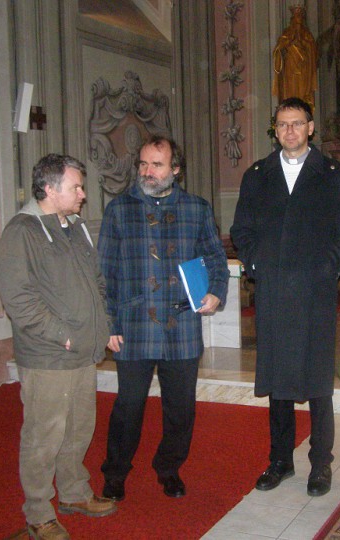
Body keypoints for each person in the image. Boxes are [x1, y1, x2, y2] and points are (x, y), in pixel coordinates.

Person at [231, 97, 340, 497]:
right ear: (275, 130)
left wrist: (328, 268)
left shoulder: (333, 175)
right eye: (283, 124)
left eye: (297, 123)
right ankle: (280, 460)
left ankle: (320, 462)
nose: (289, 130)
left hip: (314, 292)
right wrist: (256, 264)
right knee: (278, 380)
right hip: (272, 292)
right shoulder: (258, 175)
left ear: (310, 128)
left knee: (319, 381)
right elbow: (242, 230)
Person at [98, 135, 229, 502]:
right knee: (128, 406)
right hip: (133, 326)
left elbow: (215, 259)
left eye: (156, 165)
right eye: (143, 164)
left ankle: (169, 468)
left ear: (175, 169)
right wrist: (108, 323)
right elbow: (104, 272)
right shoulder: (119, 209)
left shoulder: (197, 209)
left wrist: (216, 290)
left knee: (181, 409)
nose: (147, 171)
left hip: (181, 325)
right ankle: (115, 472)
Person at [0, 154, 117, 540]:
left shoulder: (77, 227)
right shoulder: (22, 231)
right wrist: (61, 334)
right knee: (44, 435)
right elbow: (18, 299)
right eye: (76, 187)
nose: (83, 194)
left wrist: (103, 326)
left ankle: (74, 492)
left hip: (82, 350)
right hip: (48, 355)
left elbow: (97, 282)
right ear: (50, 190)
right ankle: (37, 512)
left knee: (79, 428)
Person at [272, 5, 318, 107]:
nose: (298, 20)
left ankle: (302, 108)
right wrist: (288, 43)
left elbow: (313, 53)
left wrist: (303, 44)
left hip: (303, 69)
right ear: (292, 18)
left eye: (300, 17)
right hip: (290, 68)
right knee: (290, 92)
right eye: (296, 17)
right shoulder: (287, 33)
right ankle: (289, 107)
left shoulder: (307, 35)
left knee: (302, 93)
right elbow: (278, 50)